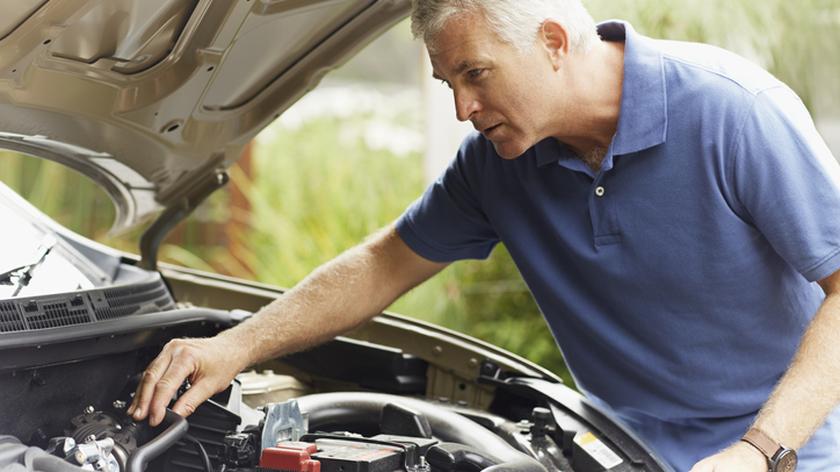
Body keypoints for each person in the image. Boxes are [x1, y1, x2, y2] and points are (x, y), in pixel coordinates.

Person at [128, 0, 840, 470]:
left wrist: (758, 450)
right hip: (626, 450)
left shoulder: (731, 113)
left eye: (476, 74)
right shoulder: (497, 164)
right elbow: (383, 263)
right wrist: (235, 345)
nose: (465, 107)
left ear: (555, 43)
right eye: (448, 85)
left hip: (790, 448)